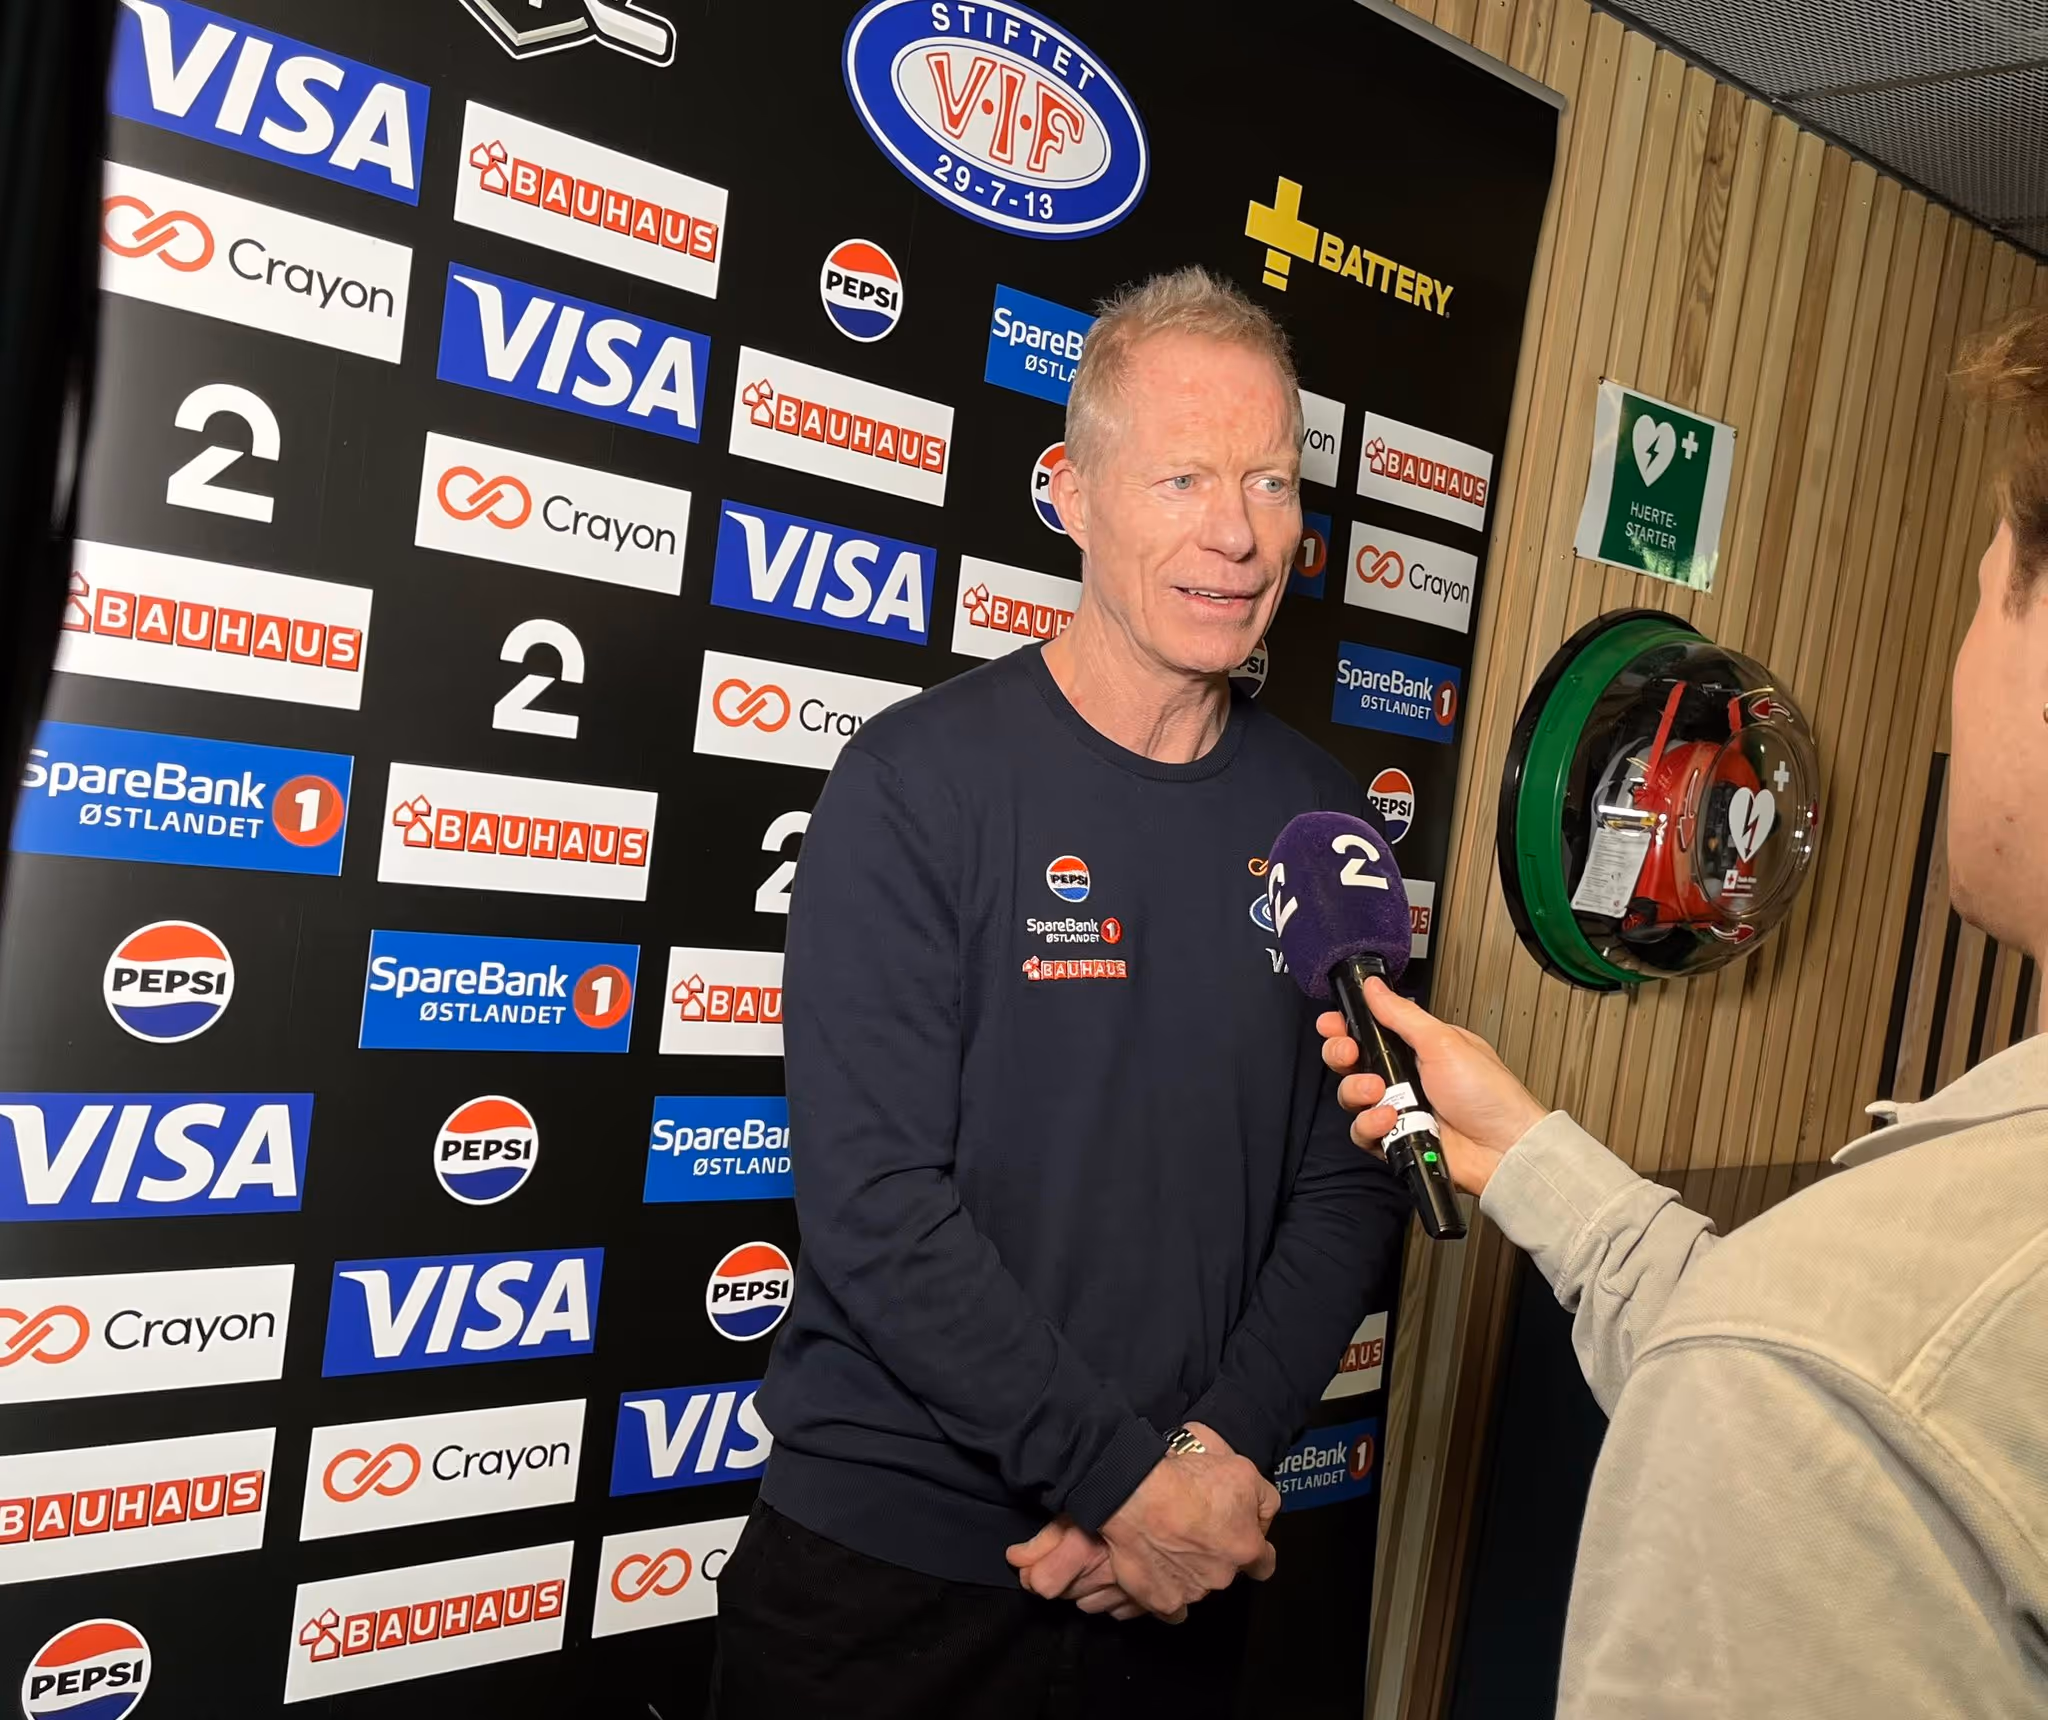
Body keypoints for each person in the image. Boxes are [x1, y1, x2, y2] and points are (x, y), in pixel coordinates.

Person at [1320, 305, 2048, 1717]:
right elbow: (1810, 1353)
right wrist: (1539, 1162)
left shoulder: (1812, 1379)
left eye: (1984, 600)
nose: (1958, 674)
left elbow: (1811, 1376)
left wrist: (1764, 1357)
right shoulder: (1833, 1349)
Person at [710, 267, 1408, 1718]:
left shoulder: (1328, 830)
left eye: (1271, 481)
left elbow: (1350, 1181)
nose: (1236, 532)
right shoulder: (913, 786)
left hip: (1178, 1577)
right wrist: (1120, 1481)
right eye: (1182, 477)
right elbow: (877, 1205)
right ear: (1073, 495)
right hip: (888, 1586)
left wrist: (1201, 1471)